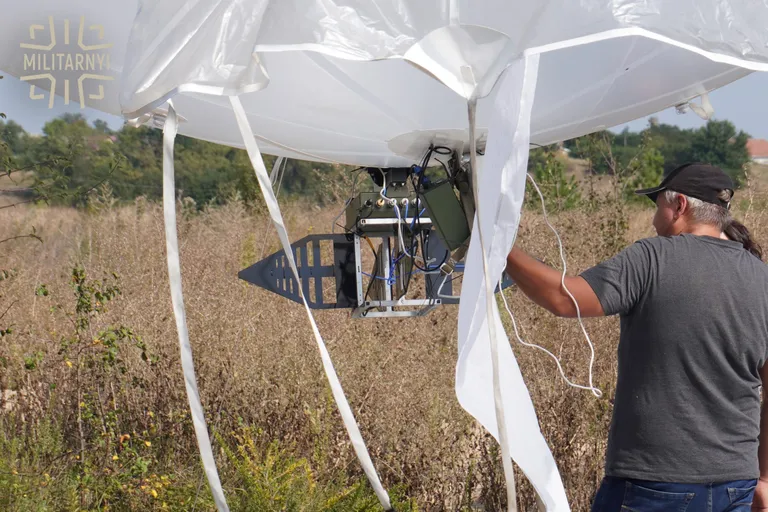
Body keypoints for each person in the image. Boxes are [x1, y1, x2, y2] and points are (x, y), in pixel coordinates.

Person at [504, 163, 768, 511]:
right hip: (737, 485)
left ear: (679, 207)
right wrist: (763, 477)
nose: (655, 217)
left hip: (654, 484)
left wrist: (501, 249)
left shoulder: (652, 259)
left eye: (657, 204)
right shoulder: (760, 276)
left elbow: (563, 298)